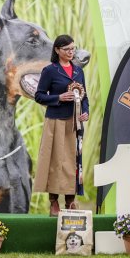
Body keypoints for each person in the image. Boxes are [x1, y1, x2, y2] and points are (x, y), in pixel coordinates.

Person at [34, 35, 89, 216]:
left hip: (75, 123)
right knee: (56, 161)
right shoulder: (50, 70)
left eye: (73, 48)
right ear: (57, 50)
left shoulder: (78, 71)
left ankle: (70, 201)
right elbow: (39, 96)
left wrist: (85, 111)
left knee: (73, 161)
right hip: (56, 121)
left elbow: (84, 97)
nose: (71, 52)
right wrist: (58, 97)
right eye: (67, 49)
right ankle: (54, 202)